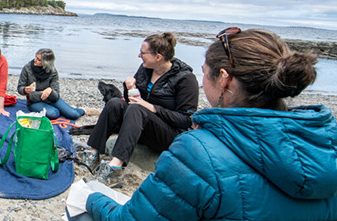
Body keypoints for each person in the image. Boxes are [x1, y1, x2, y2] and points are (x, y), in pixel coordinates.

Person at [85, 28, 337, 220]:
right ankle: (94, 152)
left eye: (205, 73)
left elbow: (132, 218)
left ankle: (114, 169)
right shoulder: (327, 146)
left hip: (166, 129)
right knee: (120, 104)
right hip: (150, 123)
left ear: (224, 80)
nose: (202, 80)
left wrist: (91, 198)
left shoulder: (197, 153)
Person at [78, 32, 199, 187]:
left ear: (158, 57)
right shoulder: (145, 69)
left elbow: (186, 120)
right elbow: (131, 100)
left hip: (170, 135)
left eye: (143, 53)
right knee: (115, 103)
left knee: (137, 109)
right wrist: (129, 88)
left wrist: (153, 108)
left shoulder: (185, 79)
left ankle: (115, 169)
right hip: (141, 125)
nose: (139, 56)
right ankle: (94, 153)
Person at [17, 48, 84, 120]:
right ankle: (62, 110)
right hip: (34, 101)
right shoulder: (27, 68)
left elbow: (56, 95)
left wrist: (50, 91)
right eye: (35, 57)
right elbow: (20, 87)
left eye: (39, 59)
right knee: (54, 113)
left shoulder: (53, 72)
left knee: (74, 115)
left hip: (51, 99)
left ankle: (83, 110)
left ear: (46, 62)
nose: (35, 60)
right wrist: (24, 90)